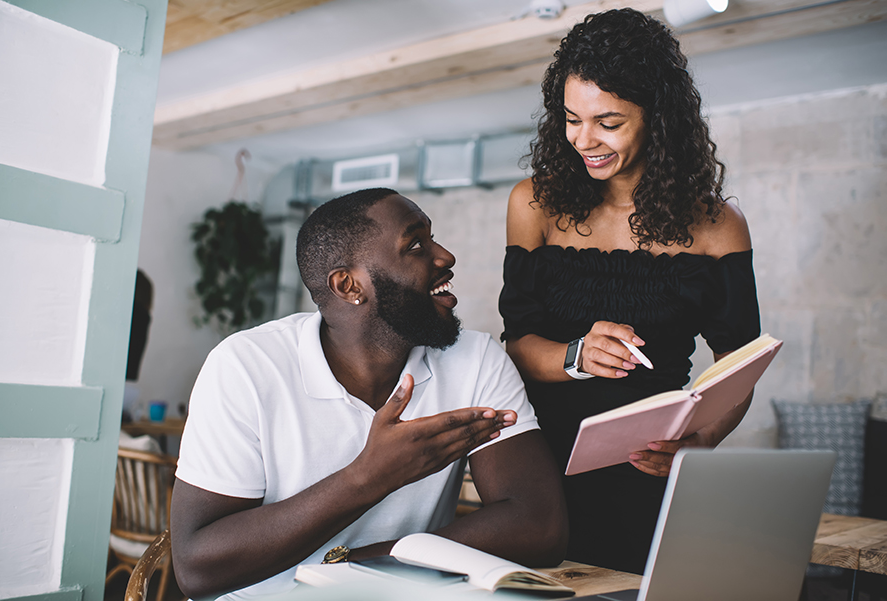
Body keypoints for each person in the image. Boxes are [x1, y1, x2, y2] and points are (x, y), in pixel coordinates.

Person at [171, 188, 567, 600]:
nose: (445, 256)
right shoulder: (246, 366)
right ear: (348, 285)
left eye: (432, 238)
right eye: (416, 245)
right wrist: (368, 478)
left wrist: (364, 564)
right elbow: (196, 569)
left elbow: (539, 525)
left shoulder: (477, 359)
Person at [499, 9, 760, 574]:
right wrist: (576, 355)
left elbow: (738, 367)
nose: (583, 140)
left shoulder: (718, 226)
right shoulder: (533, 204)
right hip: (542, 465)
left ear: (658, 119)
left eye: (608, 122)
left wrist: (702, 440)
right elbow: (517, 343)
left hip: (648, 468)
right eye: (571, 119)